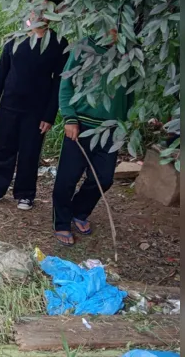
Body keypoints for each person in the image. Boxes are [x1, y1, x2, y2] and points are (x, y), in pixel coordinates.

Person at [0, 0, 69, 211]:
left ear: (55, 14)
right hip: (9, 106)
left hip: (36, 111)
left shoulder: (59, 44)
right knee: (3, 149)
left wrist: (49, 115)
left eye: (47, 10)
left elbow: (59, 83)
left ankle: (25, 193)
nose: (41, 14)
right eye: (37, 8)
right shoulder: (15, 39)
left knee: (30, 152)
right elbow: (1, 73)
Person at [52, 32, 134, 246]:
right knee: (67, 178)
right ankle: (61, 222)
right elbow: (66, 83)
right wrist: (69, 117)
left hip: (111, 129)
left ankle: (79, 211)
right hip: (81, 124)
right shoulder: (85, 45)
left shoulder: (130, 51)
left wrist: (125, 122)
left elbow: (130, 93)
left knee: (104, 178)